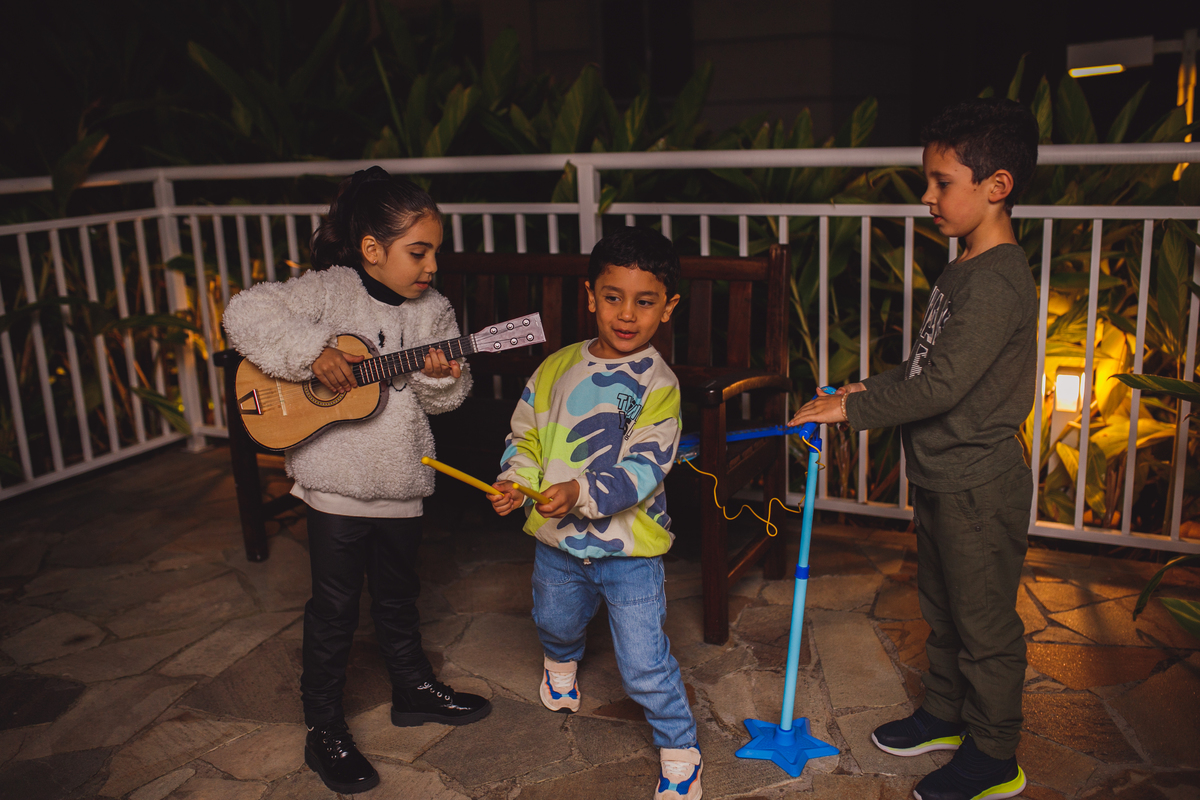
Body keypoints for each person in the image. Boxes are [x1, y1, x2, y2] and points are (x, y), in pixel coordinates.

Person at [789, 98, 1039, 800]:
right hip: (943, 474)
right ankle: (947, 714)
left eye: (941, 183)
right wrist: (868, 385)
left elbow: (943, 387)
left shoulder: (997, 282)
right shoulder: (965, 268)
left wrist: (852, 409)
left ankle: (993, 754)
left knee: (984, 623)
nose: (927, 197)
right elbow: (928, 367)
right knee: (943, 608)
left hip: (977, 484)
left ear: (997, 186)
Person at [222, 167, 490, 795]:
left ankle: (412, 689)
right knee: (336, 608)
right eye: (417, 252)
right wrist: (313, 352)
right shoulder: (331, 290)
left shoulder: (435, 311)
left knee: (398, 596)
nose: (431, 266)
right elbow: (245, 311)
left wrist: (441, 376)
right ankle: (324, 727)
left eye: (436, 253)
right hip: (336, 482)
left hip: (402, 478)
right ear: (372, 248)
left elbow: (446, 400)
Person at [488, 226, 701, 800]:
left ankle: (680, 746)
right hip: (556, 543)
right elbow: (525, 436)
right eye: (613, 297)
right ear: (590, 296)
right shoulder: (555, 368)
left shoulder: (660, 385)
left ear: (668, 307)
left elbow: (645, 467)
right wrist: (517, 484)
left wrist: (578, 492)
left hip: (630, 552)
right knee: (554, 622)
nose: (627, 314)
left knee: (643, 663)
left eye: (645, 301)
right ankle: (560, 663)